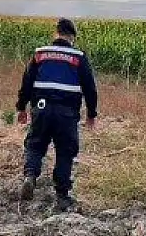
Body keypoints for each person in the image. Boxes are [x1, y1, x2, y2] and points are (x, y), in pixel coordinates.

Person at [16, 18, 98, 212]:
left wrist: (21, 108)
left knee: (35, 145)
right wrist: (92, 114)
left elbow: (26, 82)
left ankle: (30, 177)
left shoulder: (40, 54)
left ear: (56, 33)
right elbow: (90, 88)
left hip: (41, 109)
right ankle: (62, 195)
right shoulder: (78, 56)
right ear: (72, 37)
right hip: (66, 113)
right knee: (65, 151)